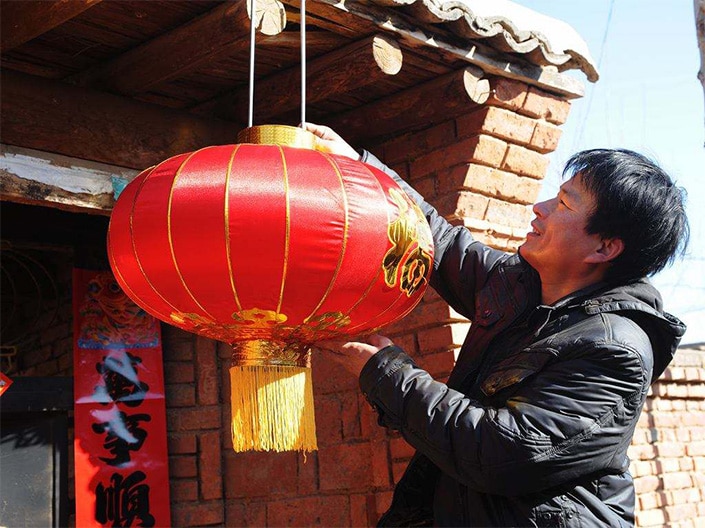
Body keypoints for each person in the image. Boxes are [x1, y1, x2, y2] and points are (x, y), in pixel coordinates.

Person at [306, 122, 690, 528]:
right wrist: (365, 167)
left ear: (604, 247)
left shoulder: (616, 349)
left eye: (563, 204)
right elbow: (438, 239)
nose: (539, 208)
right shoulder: (518, 287)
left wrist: (388, 373)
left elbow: (502, 451)